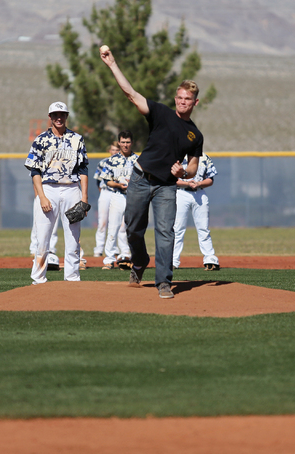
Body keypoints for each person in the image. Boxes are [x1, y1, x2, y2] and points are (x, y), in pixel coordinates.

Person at [100, 45, 202, 299]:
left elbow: (193, 166)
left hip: (167, 186)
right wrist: (112, 64)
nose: (182, 101)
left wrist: (184, 174)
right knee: (133, 228)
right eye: (179, 97)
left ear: (195, 102)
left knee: (166, 231)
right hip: (140, 178)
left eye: (187, 98)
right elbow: (132, 94)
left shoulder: (195, 135)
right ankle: (140, 260)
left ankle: (164, 282)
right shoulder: (161, 113)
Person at [24, 101, 89, 284]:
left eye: (62, 114)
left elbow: (83, 169)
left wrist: (83, 198)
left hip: (71, 189)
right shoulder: (41, 140)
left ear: (67, 116)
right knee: (43, 237)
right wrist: (42, 196)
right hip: (48, 189)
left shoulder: (77, 139)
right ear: (50, 117)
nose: (59, 117)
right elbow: (34, 170)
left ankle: (72, 277)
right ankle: (38, 279)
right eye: (55, 115)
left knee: (73, 238)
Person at [173, 153, 220, 271]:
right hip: (181, 193)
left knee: (203, 228)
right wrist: (187, 183)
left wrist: (198, 183)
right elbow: (172, 179)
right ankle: (173, 260)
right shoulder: (178, 156)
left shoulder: (204, 157)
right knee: (178, 228)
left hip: (199, 192)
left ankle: (210, 259)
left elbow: (210, 179)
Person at [99, 131, 137, 270]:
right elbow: (107, 180)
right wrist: (118, 184)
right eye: (123, 142)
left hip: (134, 197)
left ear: (131, 143)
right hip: (118, 195)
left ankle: (132, 257)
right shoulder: (112, 160)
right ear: (119, 143)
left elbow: (144, 179)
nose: (125, 145)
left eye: (128, 142)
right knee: (113, 227)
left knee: (134, 228)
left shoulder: (138, 160)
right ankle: (109, 259)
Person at [93, 141, 120, 258]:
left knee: (119, 223)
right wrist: (102, 192)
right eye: (113, 149)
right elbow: (98, 180)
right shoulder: (103, 163)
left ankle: (115, 248)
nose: (115, 152)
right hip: (106, 192)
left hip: (119, 193)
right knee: (102, 222)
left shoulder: (123, 162)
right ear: (109, 151)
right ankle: (98, 249)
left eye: (117, 150)